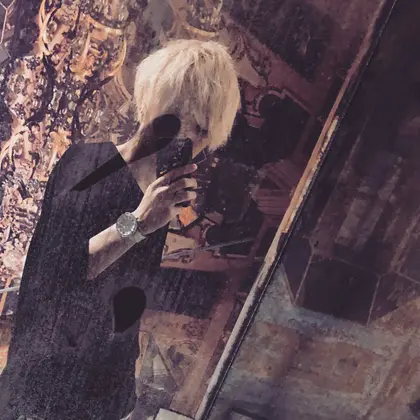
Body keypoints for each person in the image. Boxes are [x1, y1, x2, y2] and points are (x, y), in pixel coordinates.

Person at [0, 39, 240, 420]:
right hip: (44, 388)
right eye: (188, 119)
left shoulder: (158, 198)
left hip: (104, 396)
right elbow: (57, 272)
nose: (195, 140)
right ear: (158, 102)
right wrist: (139, 223)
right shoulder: (88, 163)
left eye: (204, 130)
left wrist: (126, 385)